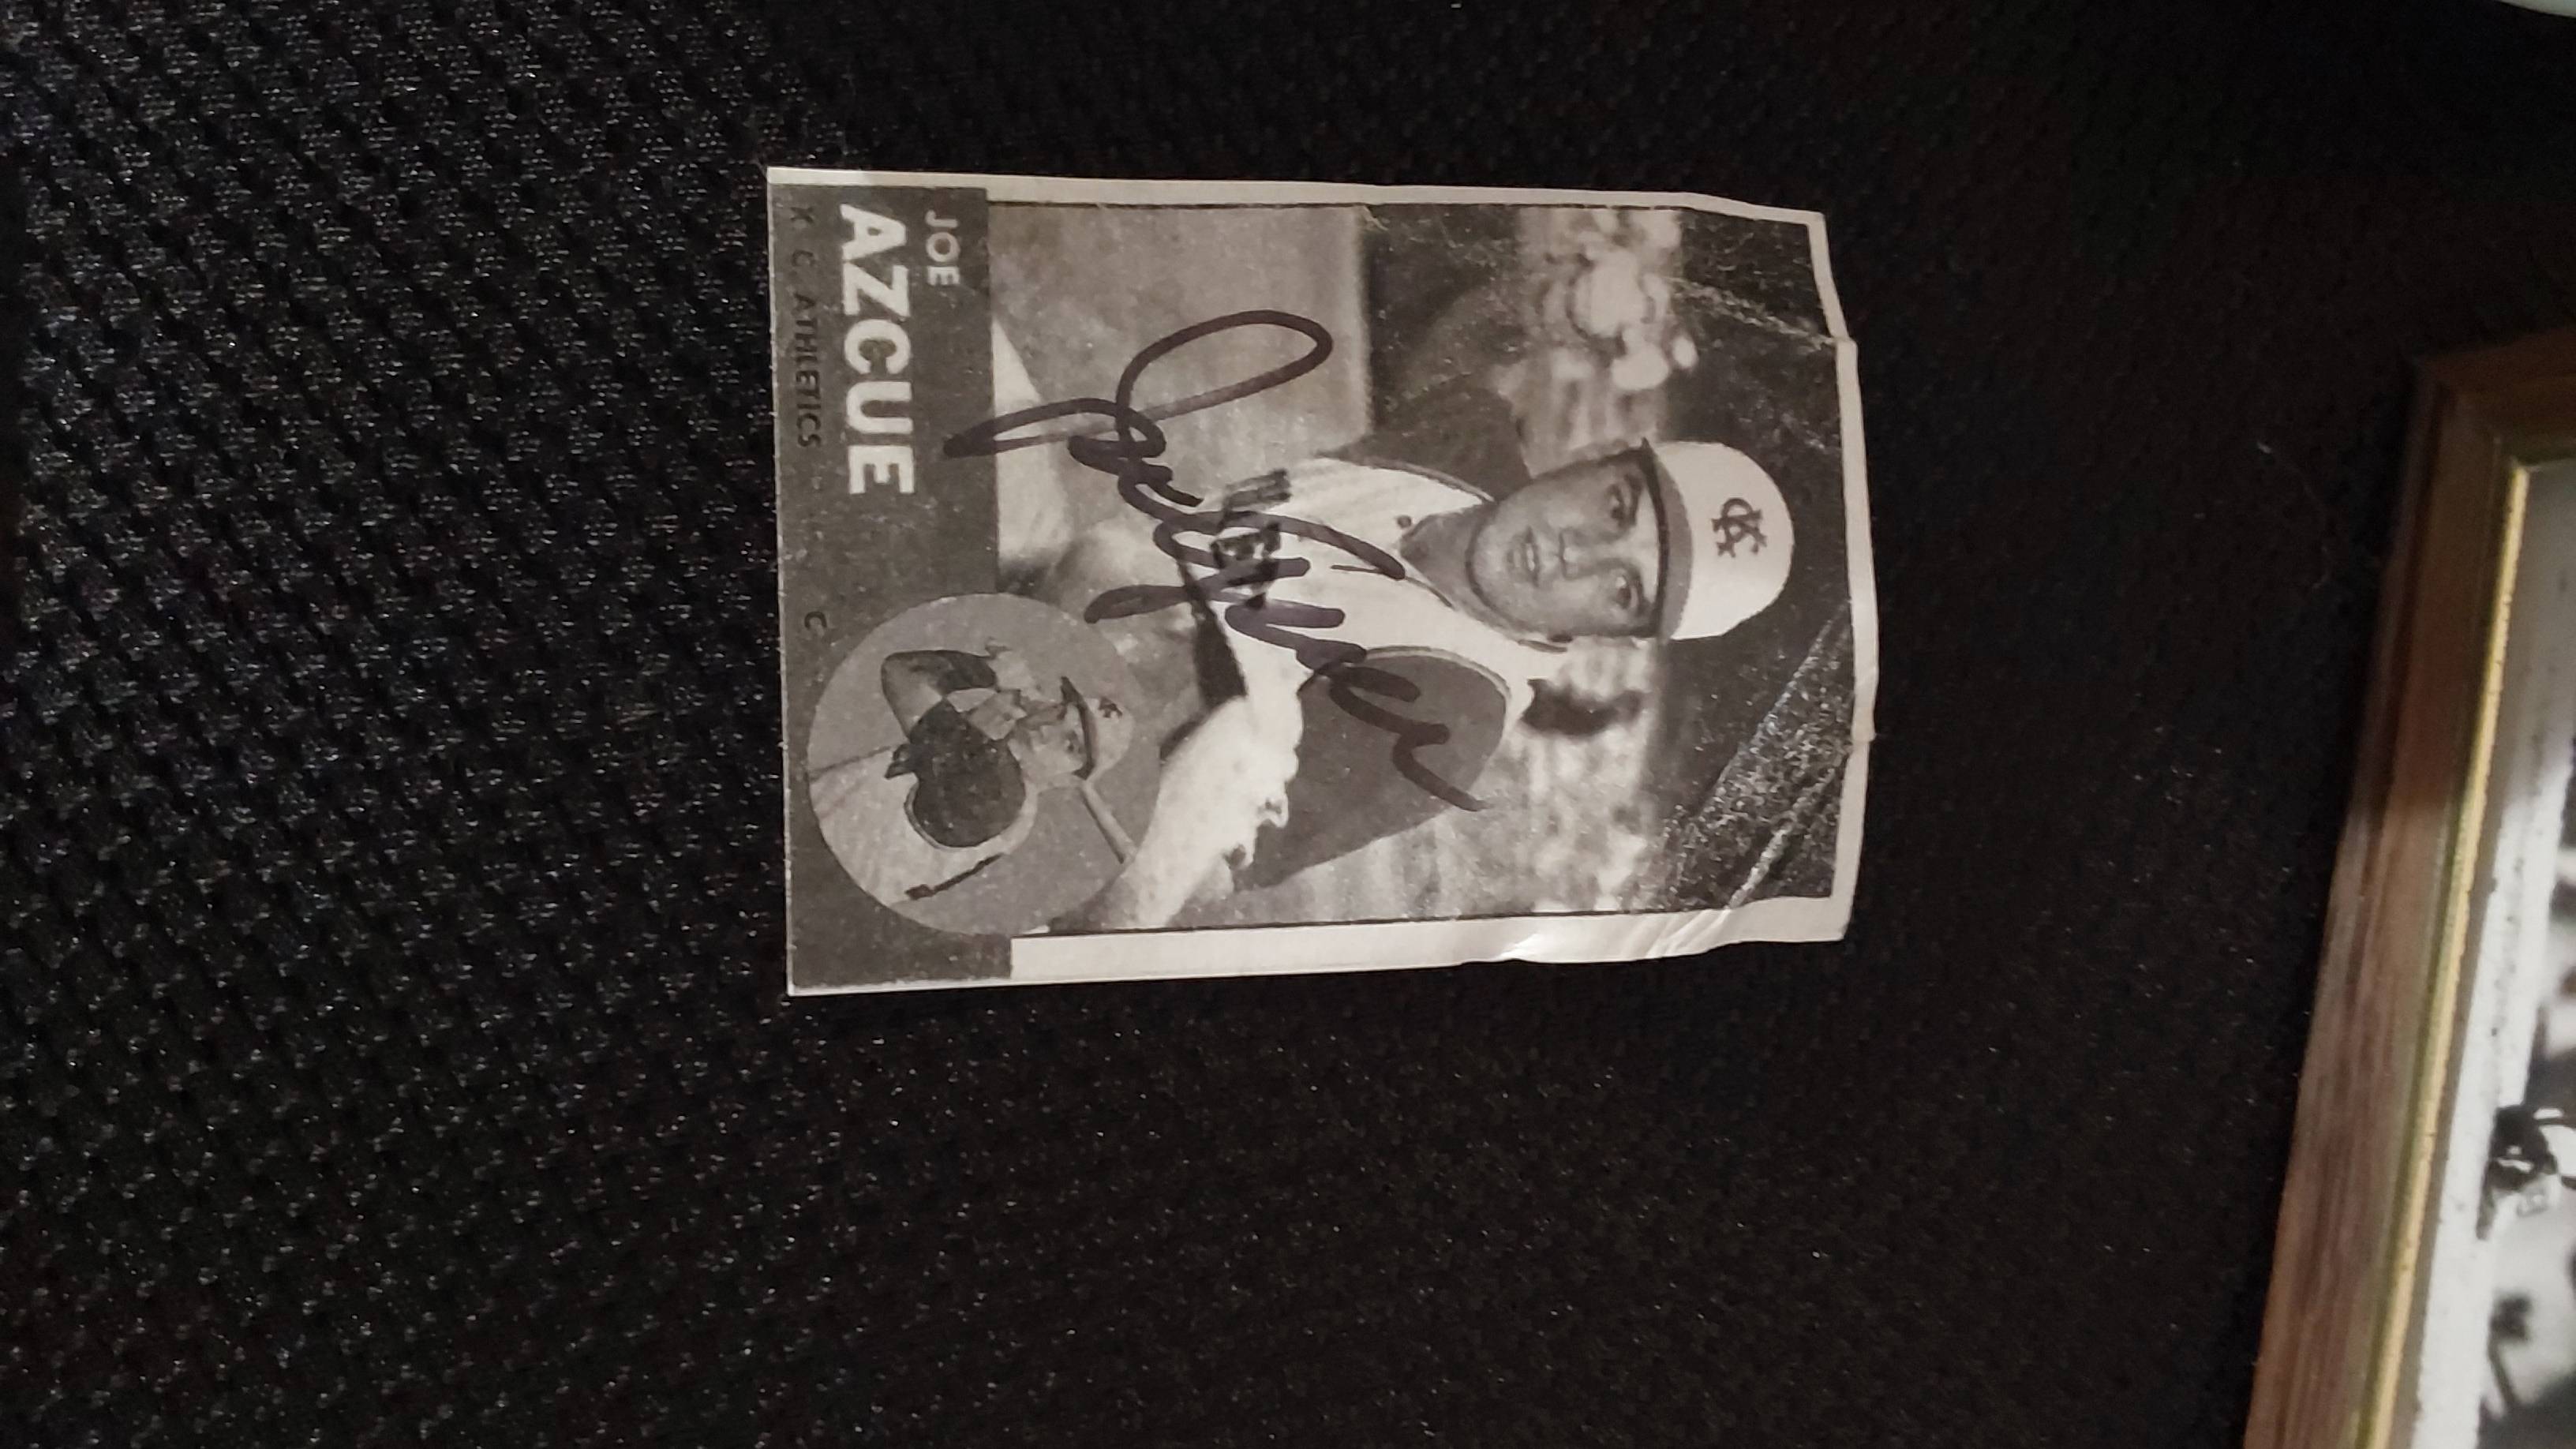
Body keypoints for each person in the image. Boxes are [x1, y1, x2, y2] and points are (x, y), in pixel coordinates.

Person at [1018, 378, 1795, 928]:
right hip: (1042, 593)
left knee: (1236, 729)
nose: (1577, 554)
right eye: (1616, 507)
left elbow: (1154, 887)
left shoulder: (1450, 715)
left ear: (1617, 637)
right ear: (1598, 451)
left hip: (1041, 782)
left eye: (1622, 590)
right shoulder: (1464, 431)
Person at [809, 643, 1133, 905]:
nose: (1047, 730)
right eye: (1059, 713)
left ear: (1071, 778)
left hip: (810, 875)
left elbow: (903, 674)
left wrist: (987, 672)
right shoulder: (996, 774)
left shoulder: (996, 789)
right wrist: (1002, 702)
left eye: (1071, 746)